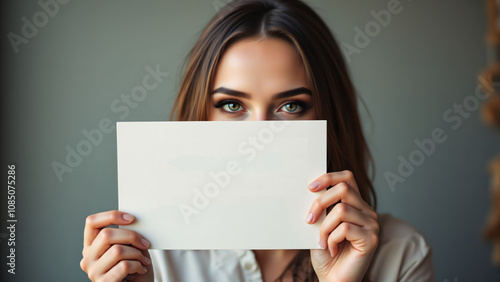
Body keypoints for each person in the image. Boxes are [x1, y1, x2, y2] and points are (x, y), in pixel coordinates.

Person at [80, 0, 435, 281]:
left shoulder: (398, 253)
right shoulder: (150, 256)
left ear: (329, 118)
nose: (260, 136)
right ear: (201, 116)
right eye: (232, 105)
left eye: (291, 106)